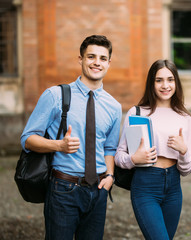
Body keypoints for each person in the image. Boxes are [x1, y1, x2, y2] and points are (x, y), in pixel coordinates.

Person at [20, 35, 122, 240]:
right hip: (63, 190)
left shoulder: (114, 106)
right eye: (91, 56)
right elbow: (27, 139)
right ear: (81, 59)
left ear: (109, 63)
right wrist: (59, 145)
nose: (97, 62)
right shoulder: (55, 95)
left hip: (99, 190)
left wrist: (110, 176)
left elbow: (110, 149)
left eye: (102, 58)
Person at [115, 59, 191, 240]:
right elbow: (119, 155)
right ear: (151, 83)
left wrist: (183, 152)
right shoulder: (136, 113)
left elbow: (186, 170)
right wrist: (134, 159)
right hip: (145, 185)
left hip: (174, 187)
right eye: (159, 80)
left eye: (170, 79)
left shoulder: (185, 118)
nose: (165, 85)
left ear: (176, 83)